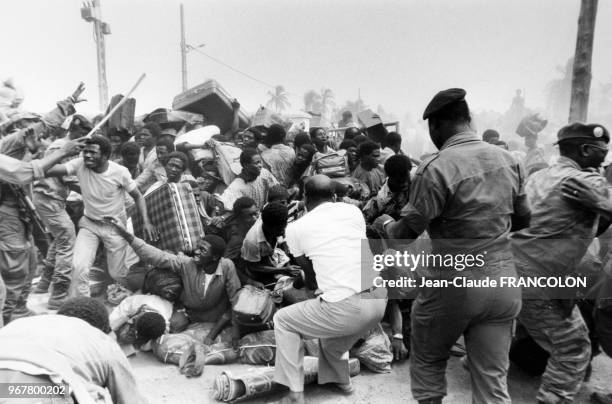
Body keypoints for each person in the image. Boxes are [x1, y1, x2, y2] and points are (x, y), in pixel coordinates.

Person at [375, 88, 530, 404]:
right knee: (492, 381)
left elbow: (405, 234)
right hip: (503, 282)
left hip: (455, 283)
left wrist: (385, 226)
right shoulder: (510, 160)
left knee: (429, 363)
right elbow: (524, 220)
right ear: (468, 119)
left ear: (435, 126)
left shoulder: (436, 167)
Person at [511, 123, 611, 404]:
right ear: (585, 150)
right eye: (601, 152)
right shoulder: (590, 183)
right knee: (574, 346)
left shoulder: (539, 176)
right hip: (540, 278)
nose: (604, 157)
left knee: (518, 322)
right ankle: (553, 397)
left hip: (510, 268)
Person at [273, 175, 387, 404]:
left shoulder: (295, 228)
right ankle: (342, 382)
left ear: (305, 198)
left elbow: (312, 279)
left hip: (349, 308)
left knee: (283, 320)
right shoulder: (352, 212)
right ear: (334, 196)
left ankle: (295, 395)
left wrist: (310, 285)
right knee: (332, 342)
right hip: (378, 299)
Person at [45, 135, 155, 298]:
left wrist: (146, 222)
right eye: (86, 151)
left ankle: (136, 296)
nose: (87, 155)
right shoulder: (80, 164)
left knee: (118, 274)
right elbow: (47, 170)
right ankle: (82, 307)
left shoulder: (120, 172)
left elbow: (138, 196)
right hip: (89, 224)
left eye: (93, 152)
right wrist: (62, 152)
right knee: (78, 267)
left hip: (114, 227)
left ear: (105, 156)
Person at [106, 219, 240, 345]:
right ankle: (130, 330)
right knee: (169, 326)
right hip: (189, 312)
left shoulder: (227, 266)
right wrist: (127, 235)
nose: (196, 252)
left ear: (215, 257)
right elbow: (157, 256)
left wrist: (214, 334)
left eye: (203, 250)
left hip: (215, 315)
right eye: (197, 247)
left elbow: (235, 300)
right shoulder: (187, 263)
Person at [0, 297, 147, 404]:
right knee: (96, 395)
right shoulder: (102, 341)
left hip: (8, 387)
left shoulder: (23, 323)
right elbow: (130, 399)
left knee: (79, 389)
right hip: (35, 392)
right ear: (101, 328)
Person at [32, 115, 93, 309]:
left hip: (49, 198)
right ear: (74, 132)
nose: (84, 138)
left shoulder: (61, 145)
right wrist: (93, 192)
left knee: (60, 239)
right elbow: (69, 179)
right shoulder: (64, 148)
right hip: (48, 198)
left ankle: (43, 284)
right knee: (67, 241)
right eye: (83, 134)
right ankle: (58, 294)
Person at [241, 202, 293, 288]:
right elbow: (254, 267)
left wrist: (286, 258)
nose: (283, 231)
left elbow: (281, 238)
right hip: (258, 272)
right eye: (280, 229)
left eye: (284, 226)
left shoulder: (273, 219)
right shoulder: (252, 242)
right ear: (268, 227)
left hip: (272, 258)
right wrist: (284, 270)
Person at [219, 148, 279, 212]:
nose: (260, 165)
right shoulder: (237, 186)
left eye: (260, 162)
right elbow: (224, 203)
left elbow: (276, 188)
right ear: (245, 165)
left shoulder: (264, 173)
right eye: (256, 163)